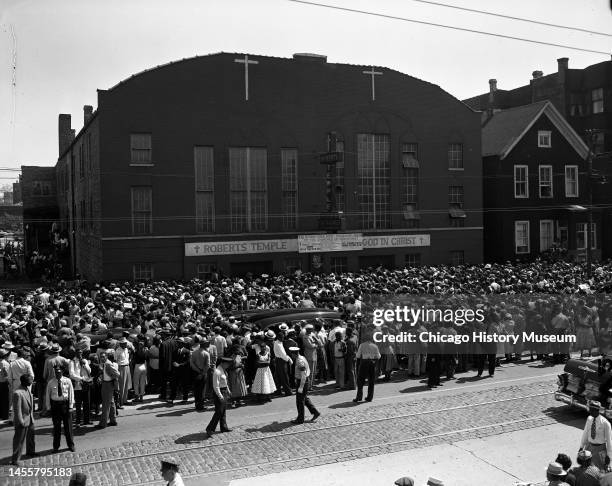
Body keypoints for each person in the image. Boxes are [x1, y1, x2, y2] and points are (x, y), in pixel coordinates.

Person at [45, 364, 75, 452]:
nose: (57, 373)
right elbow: (47, 396)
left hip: (65, 405)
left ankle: (71, 445)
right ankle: (56, 446)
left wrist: (70, 406)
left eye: (59, 372)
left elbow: (71, 394)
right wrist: (48, 408)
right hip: (55, 406)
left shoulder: (67, 381)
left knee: (68, 427)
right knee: (56, 428)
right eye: (55, 372)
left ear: (62, 371)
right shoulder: (51, 382)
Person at [289, 346, 320, 424]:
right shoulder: (301, 357)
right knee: (304, 399)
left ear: (294, 354)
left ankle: (300, 419)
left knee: (300, 401)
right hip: (303, 381)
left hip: (302, 382)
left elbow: (303, 375)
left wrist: (301, 387)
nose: (291, 356)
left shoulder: (300, 362)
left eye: (291, 354)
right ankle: (315, 412)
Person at [579, 401, 612, 470]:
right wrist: (581, 446)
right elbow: (585, 433)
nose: (589, 411)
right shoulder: (589, 419)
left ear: (596, 410)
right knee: (587, 469)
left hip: (600, 449)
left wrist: (609, 456)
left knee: (599, 469)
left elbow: (609, 441)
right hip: (589, 447)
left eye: (590, 409)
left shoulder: (605, 423)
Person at [11, 373, 35, 466]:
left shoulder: (27, 389)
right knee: (19, 441)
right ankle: (15, 459)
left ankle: (30, 452)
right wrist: (21, 421)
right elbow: (17, 410)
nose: (32, 381)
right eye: (30, 380)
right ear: (24, 381)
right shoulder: (17, 393)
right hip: (23, 420)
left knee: (31, 437)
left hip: (30, 418)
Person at [205, 357, 233, 436]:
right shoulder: (217, 372)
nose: (228, 365)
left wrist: (228, 390)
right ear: (222, 363)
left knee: (223, 410)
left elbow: (225, 382)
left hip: (224, 391)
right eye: (227, 364)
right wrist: (220, 396)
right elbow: (216, 386)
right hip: (219, 392)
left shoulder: (223, 370)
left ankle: (223, 427)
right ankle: (210, 429)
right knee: (219, 412)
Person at [353, 332, 381, 403]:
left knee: (360, 381)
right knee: (371, 381)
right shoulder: (375, 346)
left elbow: (358, 356)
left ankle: (359, 397)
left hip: (364, 363)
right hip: (372, 363)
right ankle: (369, 397)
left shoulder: (362, 345)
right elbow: (378, 356)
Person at [69, 348, 92, 426]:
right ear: (75, 353)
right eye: (78, 353)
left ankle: (87, 420)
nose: (80, 354)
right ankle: (78, 421)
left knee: (87, 403)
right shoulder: (72, 362)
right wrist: (80, 379)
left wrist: (85, 365)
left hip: (85, 384)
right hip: (78, 385)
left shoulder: (84, 361)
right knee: (78, 405)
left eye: (81, 353)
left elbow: (89, 371)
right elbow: (71, 374)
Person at [96, 352, 118, 429]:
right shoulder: (105, 363)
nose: (101, 358)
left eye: (103, 357)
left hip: (108, 385)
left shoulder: (108, 364)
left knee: (105, 404)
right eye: (100, 357)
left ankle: (103, 423)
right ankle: (113, 420)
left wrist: (112, 378)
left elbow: (116, 374)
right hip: (107, 383)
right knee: (111, 403)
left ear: (106, 357)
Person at [273, 331, 293, 396]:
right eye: (282, 337)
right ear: (278, 337)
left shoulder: (277, 342)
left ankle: (278, 391)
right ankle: (288, 391)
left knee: (278, 377)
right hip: (281, 361)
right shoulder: (278, 344)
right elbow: (283, 355)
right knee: (284, 377)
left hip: (278, 360)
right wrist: (289, 359)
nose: (283, 338)